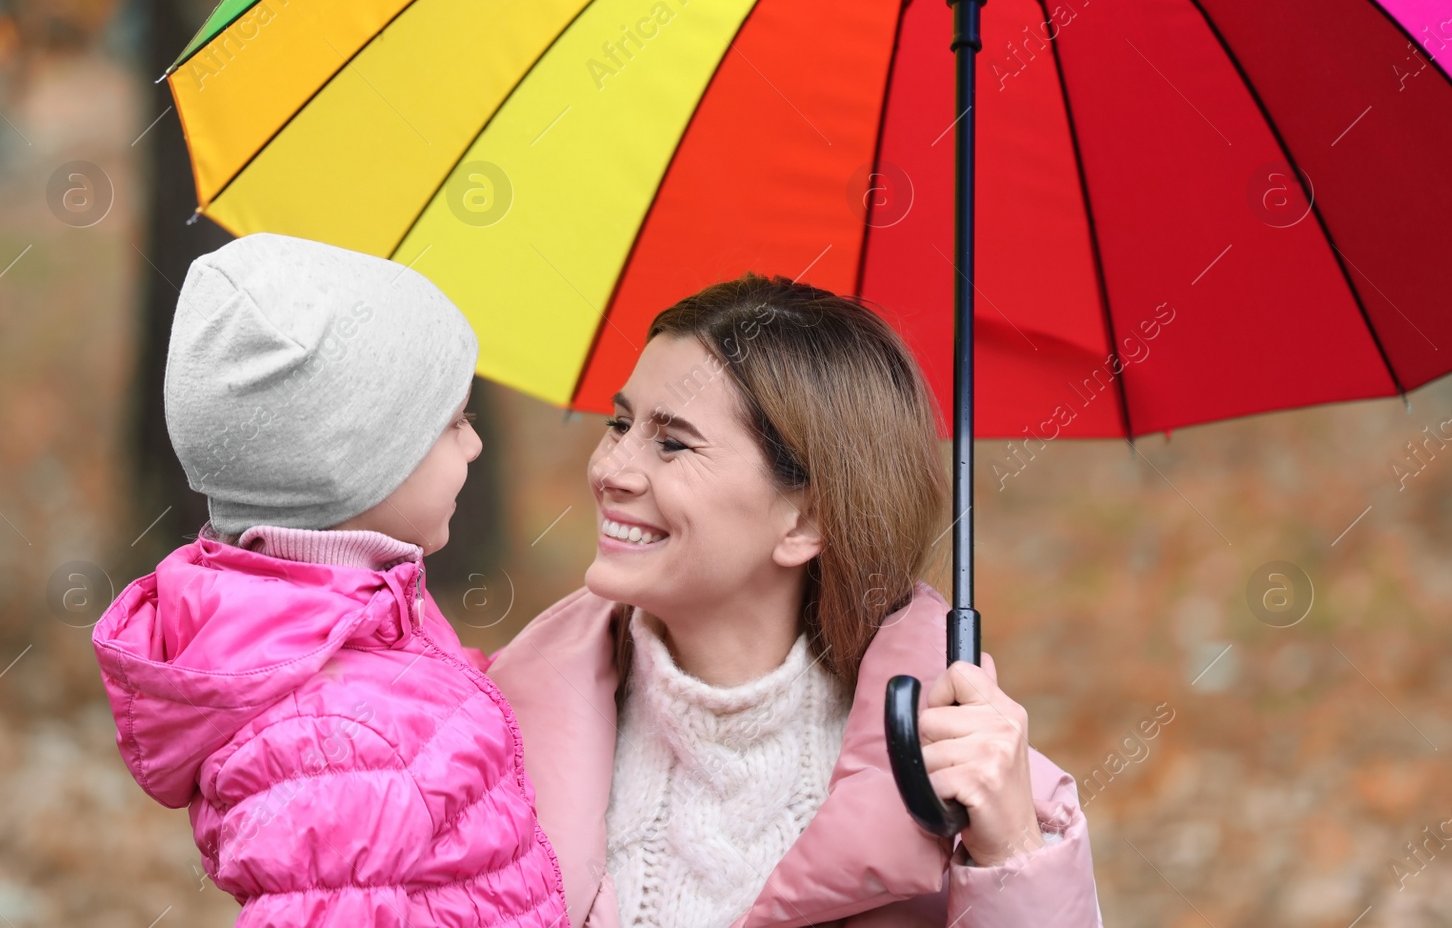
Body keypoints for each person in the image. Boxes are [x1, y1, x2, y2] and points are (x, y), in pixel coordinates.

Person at [484, 274, 1101, 927]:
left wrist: (1010, 855)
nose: (610, 468)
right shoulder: (489, 734)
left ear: (806, 520)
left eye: (671, 442)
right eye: (620, 423)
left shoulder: (970, 781)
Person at [91, 233, 566, 926]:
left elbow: (424, 726)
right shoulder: (330, 739)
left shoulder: (355, 617)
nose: (475, 442)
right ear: (365, 461)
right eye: (453, 422)